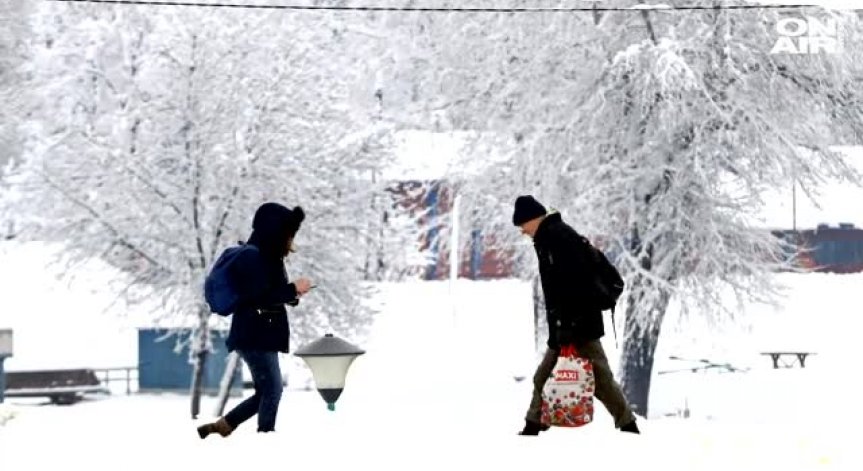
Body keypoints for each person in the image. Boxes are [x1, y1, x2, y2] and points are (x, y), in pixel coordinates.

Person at [512, 195, 639, 436]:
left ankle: (629, 426)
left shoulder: (559, 238)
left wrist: (568, 325)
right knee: (544, 377)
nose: (523, 232)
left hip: (578, 326)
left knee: (600, 381)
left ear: (533, 219)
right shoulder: (548, 238)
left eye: (523, 226)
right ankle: (533, 427)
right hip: (567, 326)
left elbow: (577, 284)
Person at [197, 202, 313, 438]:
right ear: (276, 232)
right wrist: (292, 289)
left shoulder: (269, 258)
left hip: (261, 334)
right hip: (254, 335)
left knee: (266, 391)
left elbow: (272, 293)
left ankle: (224, 425)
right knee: (272, 389)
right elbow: (260, 297)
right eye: (289, 234)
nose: (292, 241)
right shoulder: (253, 258)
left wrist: (293, 295)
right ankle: (265, 438)